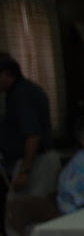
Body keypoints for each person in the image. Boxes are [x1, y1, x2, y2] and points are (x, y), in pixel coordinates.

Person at [0, 53, 55, 196]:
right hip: (28, 161)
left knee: (29, 206)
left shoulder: (22, 94)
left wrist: (25, 171)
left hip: (35, 163)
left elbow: (33, 135)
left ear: (6, 74)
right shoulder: (19, 91)